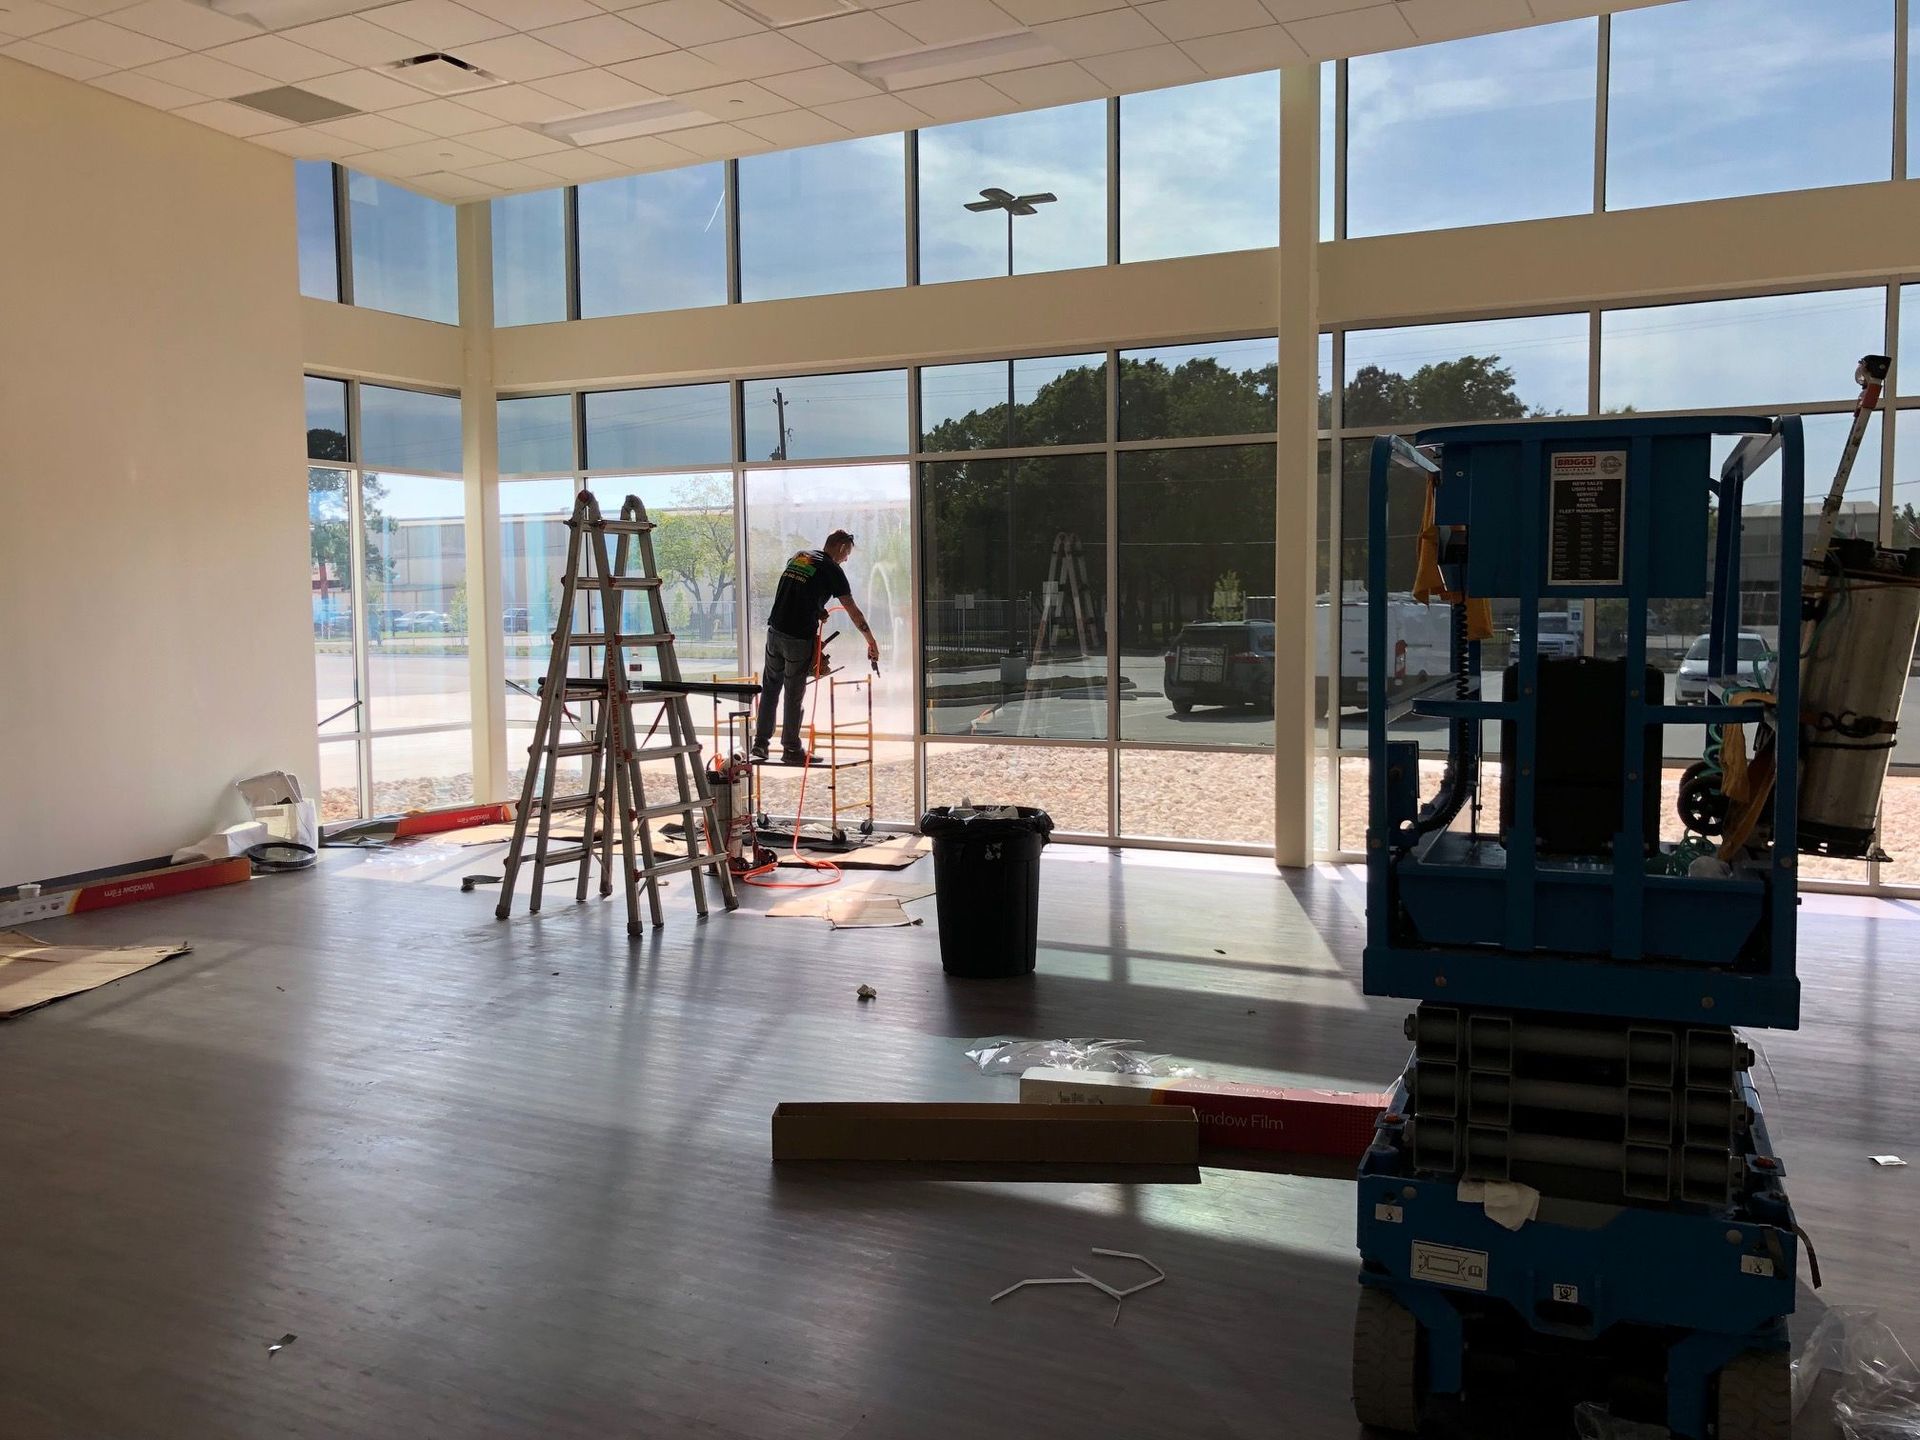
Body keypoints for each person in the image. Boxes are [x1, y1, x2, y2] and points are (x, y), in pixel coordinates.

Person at [753, 529, 880, 764]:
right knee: (794, 694)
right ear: (841, 547)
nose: (846, 559)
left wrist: (817, 609)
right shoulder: (833, 570)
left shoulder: (800, 556)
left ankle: (760, 745)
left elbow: (797, 592)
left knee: (771, 689)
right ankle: (791, 749)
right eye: (847, 554)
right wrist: (871, 641)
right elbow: (852, 610)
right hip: (798, 638)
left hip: (774, 632)